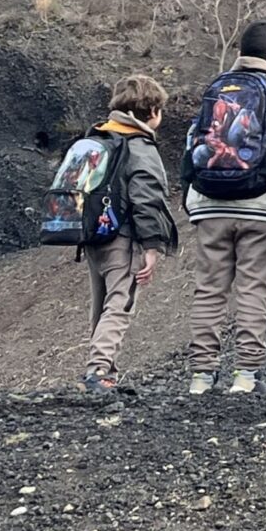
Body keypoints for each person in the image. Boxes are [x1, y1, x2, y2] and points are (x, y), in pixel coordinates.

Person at [182, 19, 266, 395]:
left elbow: (193, 148)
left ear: (239, 53)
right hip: (263, 207)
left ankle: (201, 376)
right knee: (255, 288)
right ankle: (245, 375)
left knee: (210, 288)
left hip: (211, 204)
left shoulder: (217, 90)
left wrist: (190, 198)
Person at [79, 74, 180, 396]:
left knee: (102, 304)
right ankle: (98, 370)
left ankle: (102, 369)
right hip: (123, 238)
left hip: (93, 234)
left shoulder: (99, 137)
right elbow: (147, 199)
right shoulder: (139, 146)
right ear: (153, 112)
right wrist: (152, 246)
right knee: (120, 303)